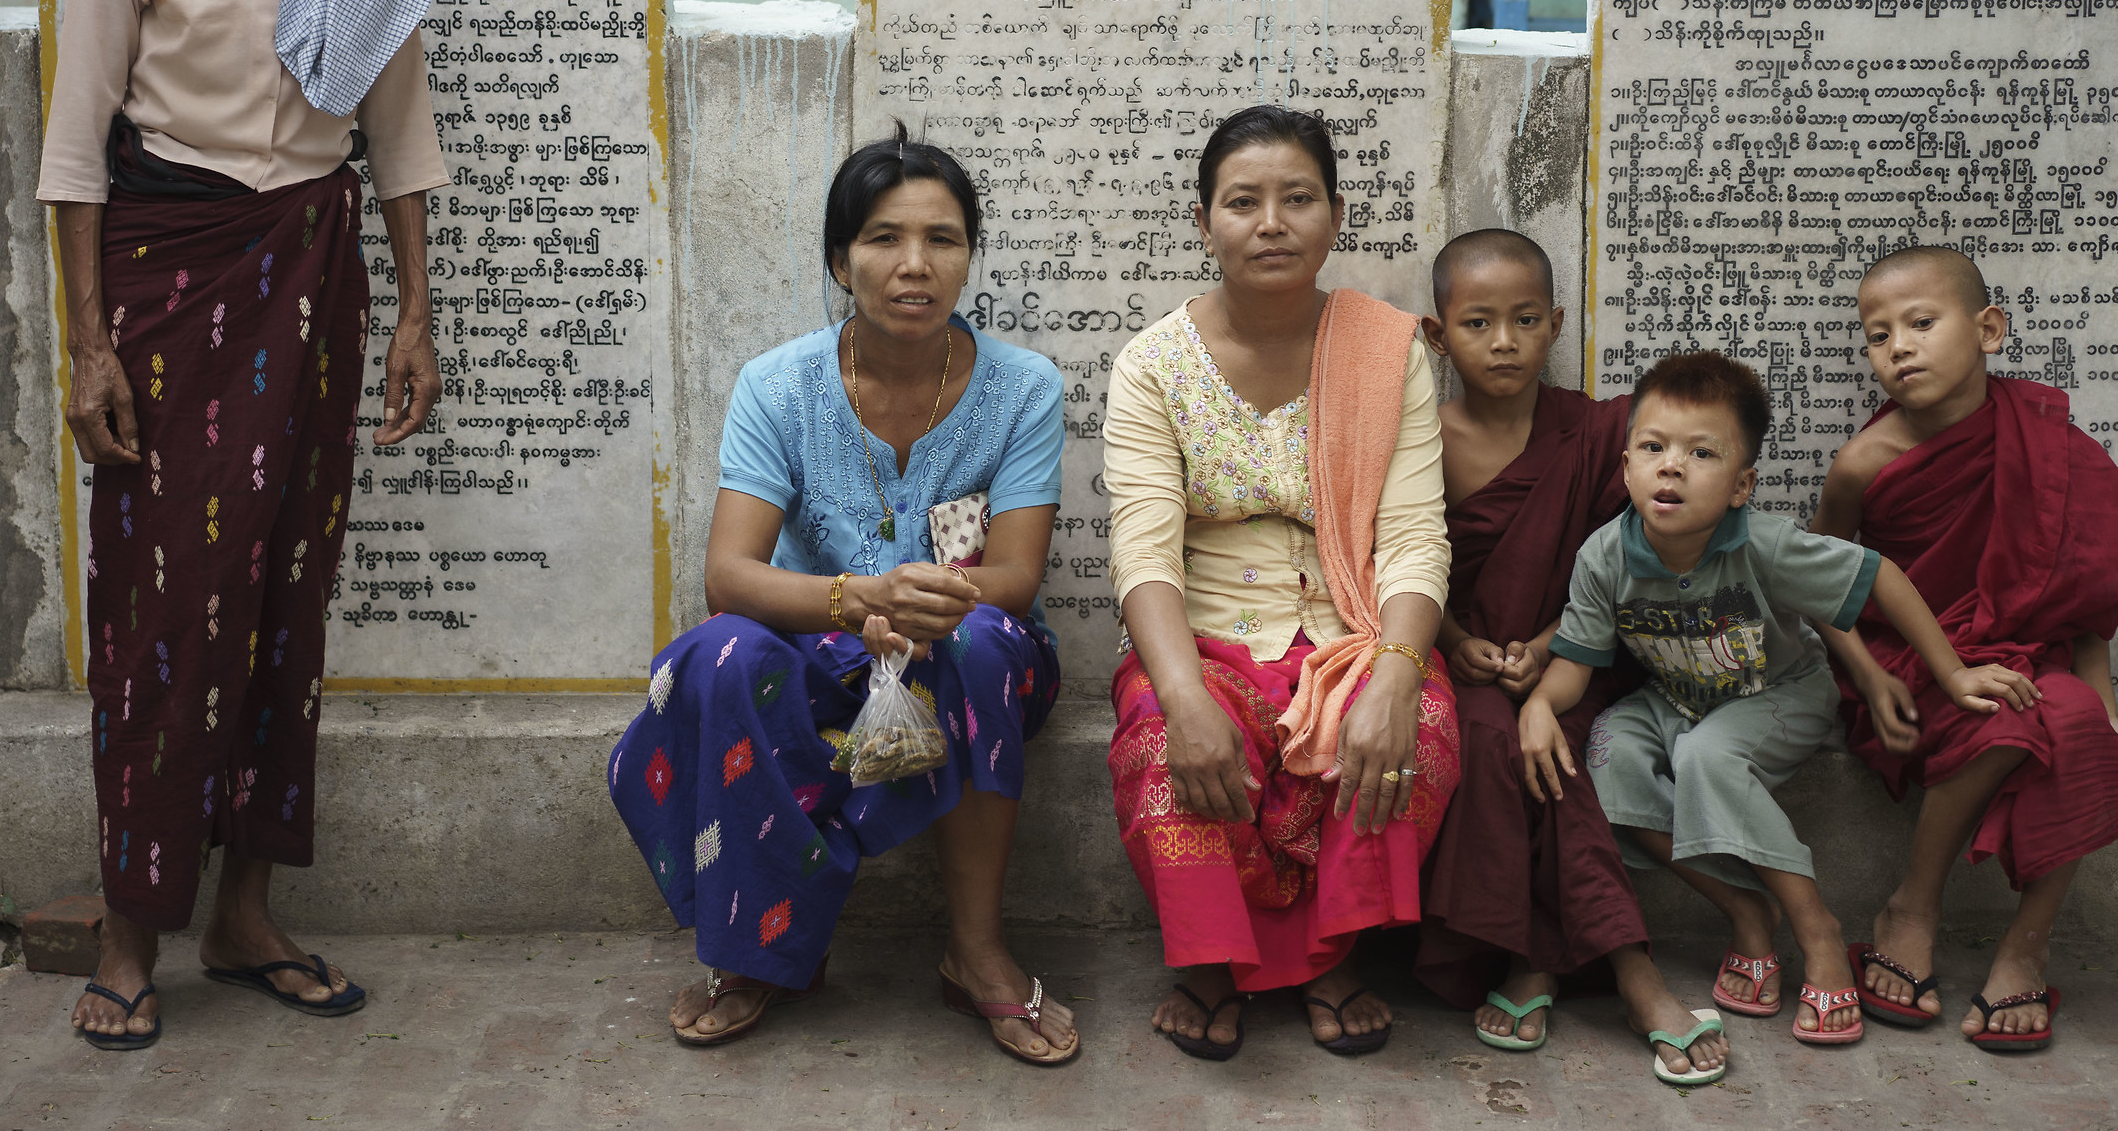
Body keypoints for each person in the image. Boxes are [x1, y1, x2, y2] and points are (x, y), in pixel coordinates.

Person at [36, 0, 448, 1048]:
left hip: (315, 271)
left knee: (284, 589)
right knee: (161, 603)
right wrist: (88, 345)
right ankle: (131, 925)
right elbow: (75, 145)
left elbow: (395, 121)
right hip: (169, 277)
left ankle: (247, 911)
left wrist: (414, 309)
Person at [608, 131, 1077, 1065]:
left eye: (942, 239)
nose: (915, 265)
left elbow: (1016, 578)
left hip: (959, 651)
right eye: (884, 238)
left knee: (986, 638)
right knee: (718, 652)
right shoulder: (778, 386)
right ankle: (761, 947)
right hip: (818, 650)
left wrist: (928, 602)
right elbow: (731, 575)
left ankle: (975, 951)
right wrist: (860, 598)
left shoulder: (1023, 388)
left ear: (969, 258)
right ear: (839, 260)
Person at [1518, 351, 2035, 1082]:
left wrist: (1951, 672)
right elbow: (1575, 663)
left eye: (1702, 454)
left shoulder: (1761, 542)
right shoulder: (1605, 555)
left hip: (1780, 693)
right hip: (1676, 700)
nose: (1672, 467)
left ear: (1741, 485)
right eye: (1654, 447)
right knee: (1603, 759)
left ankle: (1815, 926)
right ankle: (1743, 908)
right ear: (1627, 467)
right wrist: (1542, 703)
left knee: (1706, 756)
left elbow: (1879, 576)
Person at [1103, 105, 1457, 1062]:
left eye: (1297, 199)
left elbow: (1414, 535)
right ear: (1204, 220)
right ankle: (1214, 962)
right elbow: (1144, 551)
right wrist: (1183, 693)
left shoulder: (1386, 352)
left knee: (1418, 723)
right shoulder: (1153, 366)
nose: (1271, 223)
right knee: (1160, 739)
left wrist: (1394, 673)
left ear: (1334, 216)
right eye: (1242, 202)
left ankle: (1331, 958)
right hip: (1206, 634)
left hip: (1350, 627)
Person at [1813, 246, 2118, 1052]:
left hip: (2026, 654)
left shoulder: (2047, 441)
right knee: (2003, 719)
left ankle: (2026, 944)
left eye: (1921, 323)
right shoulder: (1865, 461)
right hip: (1907, 665)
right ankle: (1913, 906)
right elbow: (1816, 584)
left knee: (2078, 726)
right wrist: (1868, 676)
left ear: (1988, 329)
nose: (1898, 347)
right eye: (1878, 335)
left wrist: (2106, 703)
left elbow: (2083, 594)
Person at [1413, 231, 1709, 1069]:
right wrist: (1458, 642)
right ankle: (1619, 967)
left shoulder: (1599, 433)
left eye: (1525, 319)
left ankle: (1542, 963)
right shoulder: (1419, 439)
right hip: (1463, 661)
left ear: (1556, 324)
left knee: (1560, 749)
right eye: (1477, 322)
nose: (1504, 341)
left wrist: (1552, 644)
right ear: (1438, 336)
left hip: (1581, 654)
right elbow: (1396, 558)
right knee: (1488, 740)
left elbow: (1638, 557)